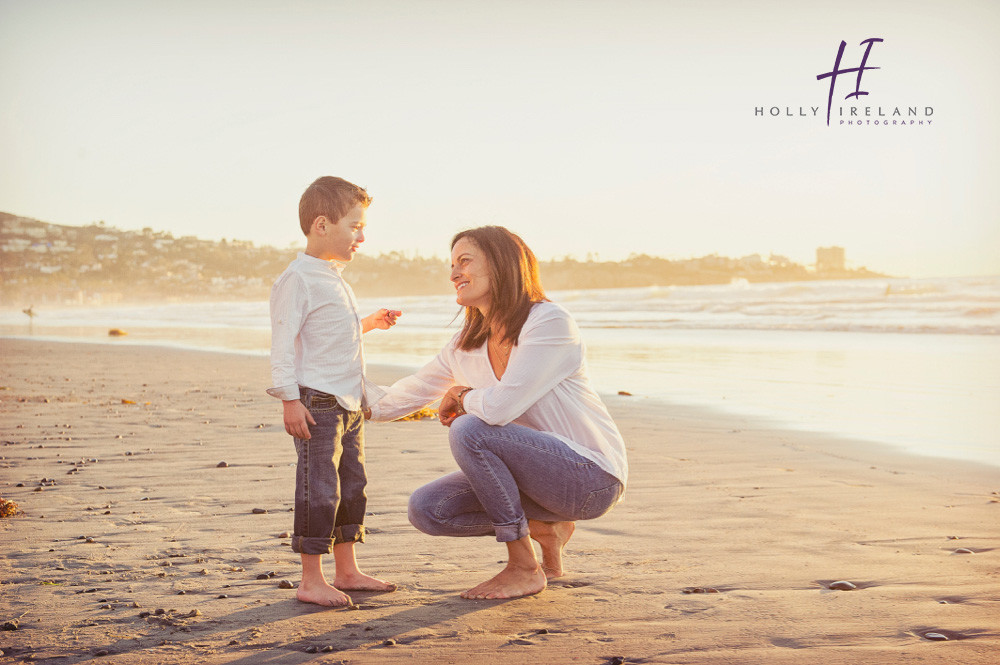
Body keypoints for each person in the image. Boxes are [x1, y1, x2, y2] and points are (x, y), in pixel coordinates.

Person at [367, 226, 628, 600]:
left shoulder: (549, 322)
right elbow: (393, 400)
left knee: (470, 429)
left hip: (590, 478)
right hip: (533, 484)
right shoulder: (463, 346)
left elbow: (502, 407)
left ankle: (523, 566)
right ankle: (546, 529)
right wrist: (328, 383)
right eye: (452, 264)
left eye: (465, 261)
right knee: (428, 509)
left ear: (502, 264)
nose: (453, 273)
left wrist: (460, 395)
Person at [267, 176, 401, 607]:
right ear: (321, 225)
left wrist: (370, 323)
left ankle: (347, 570)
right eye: (354, 226)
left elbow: (332, 335)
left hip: (348, 402)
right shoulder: (299, 279)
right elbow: (284, 342)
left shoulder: (331, 276)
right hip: (317, 404)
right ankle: (311, 578)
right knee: (318, 488)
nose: (362, 236)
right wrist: (289, 399)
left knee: (352, 486)